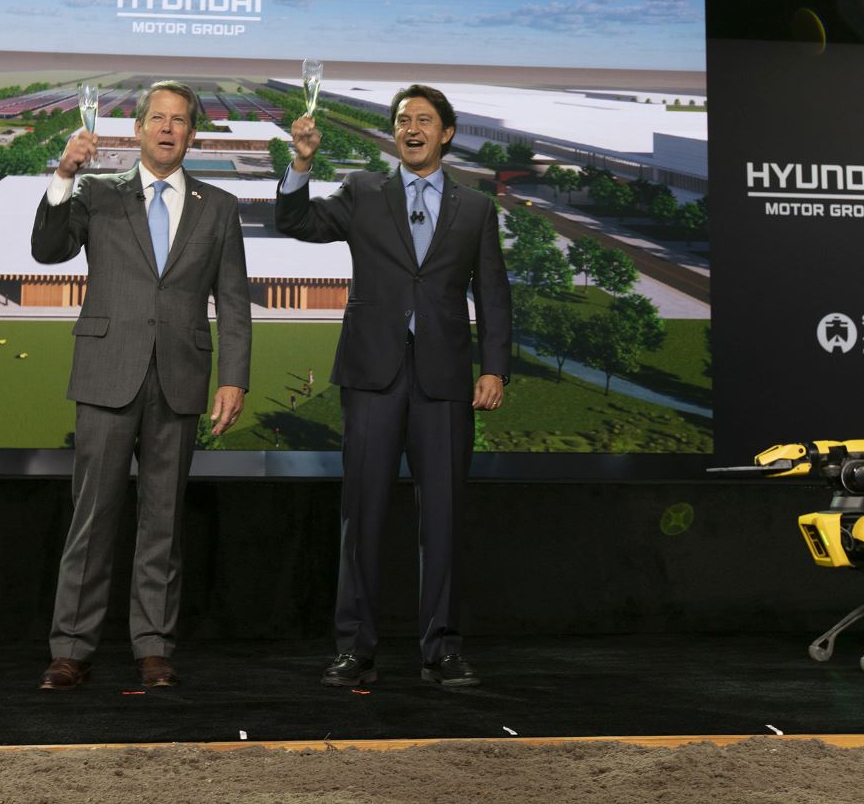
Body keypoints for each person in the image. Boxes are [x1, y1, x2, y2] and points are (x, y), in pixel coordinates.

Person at [276, 84, 510, 689]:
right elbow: (296, 220)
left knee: (444, 518)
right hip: (372, 375)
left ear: (446, 133)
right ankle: (356, 649)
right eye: (403, 119)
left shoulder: (477, 210)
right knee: (363, 514)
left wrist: (494, 368)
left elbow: (493, 295)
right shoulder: (362, 193)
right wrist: (301, 161)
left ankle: (443, 649)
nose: (411, 128)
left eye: (424, 120)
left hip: (444, 381)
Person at [33, 81, 250, 692]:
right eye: (157, 118)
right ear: (137, 129)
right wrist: (63, 175)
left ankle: (152, 645)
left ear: (191, 133)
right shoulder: (98, 195)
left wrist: (234, 378)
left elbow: (233, 302)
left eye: (179, 120)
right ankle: (71, 647)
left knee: (163, 522)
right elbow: (48, 250)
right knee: (92, 518)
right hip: (107, 374)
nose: (167, 128)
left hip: (181, 380)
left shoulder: (220, 206)